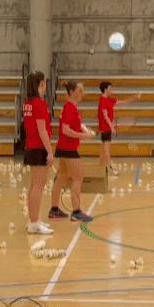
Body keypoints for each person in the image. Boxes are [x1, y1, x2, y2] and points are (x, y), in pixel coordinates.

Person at [47, 81, 97, 223]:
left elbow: (74, 123)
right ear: (72, 92)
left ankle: (54, 209)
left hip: (63, 147)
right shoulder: (70, 107)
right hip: (68, 148)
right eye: (80, 90)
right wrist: (84, 136)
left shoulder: (71, 107)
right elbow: (65, 130)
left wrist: (84, 129)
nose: (83, 93)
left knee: (62, 177)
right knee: (78, 177)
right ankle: (76, 212)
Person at [22, 71, 55, 235]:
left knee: (34, 185)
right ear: (40, 85)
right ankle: (34, 223)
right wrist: (50, 152)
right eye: (44, 84)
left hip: (30, 146)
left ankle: (34, 220)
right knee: (38, 186)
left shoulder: (27, 103)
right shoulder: (39, 104)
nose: (44, 88)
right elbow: (42, 130)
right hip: (39, 147)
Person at [96, 81, 140, 177]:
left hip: (107, 127)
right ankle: (110, 169)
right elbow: (105, 115)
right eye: (110, 88)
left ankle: (100, 169)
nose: (111, 90)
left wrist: (133, 98)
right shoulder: (102, 100)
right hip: (105, 128)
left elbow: (123, 102)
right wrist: (111, 127)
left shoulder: (110, 100)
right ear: (105, 89)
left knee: (103, 149)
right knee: (106, 149)